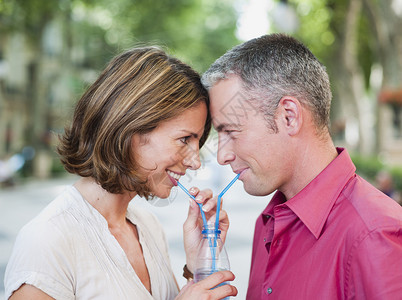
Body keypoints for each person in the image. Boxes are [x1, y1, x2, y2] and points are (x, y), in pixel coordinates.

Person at [4, 46, 237, 300]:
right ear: (130, 129)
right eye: (184, 140)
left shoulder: (148, 228)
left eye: (198, 142)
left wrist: (196, 267)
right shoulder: (47, 240)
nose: (195, 163)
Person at [201, 33, 402, 299]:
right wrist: (203, 268)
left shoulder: (374, 235)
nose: (222, 156)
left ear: (289, 116)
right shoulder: (269, 223)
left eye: (231, 131)